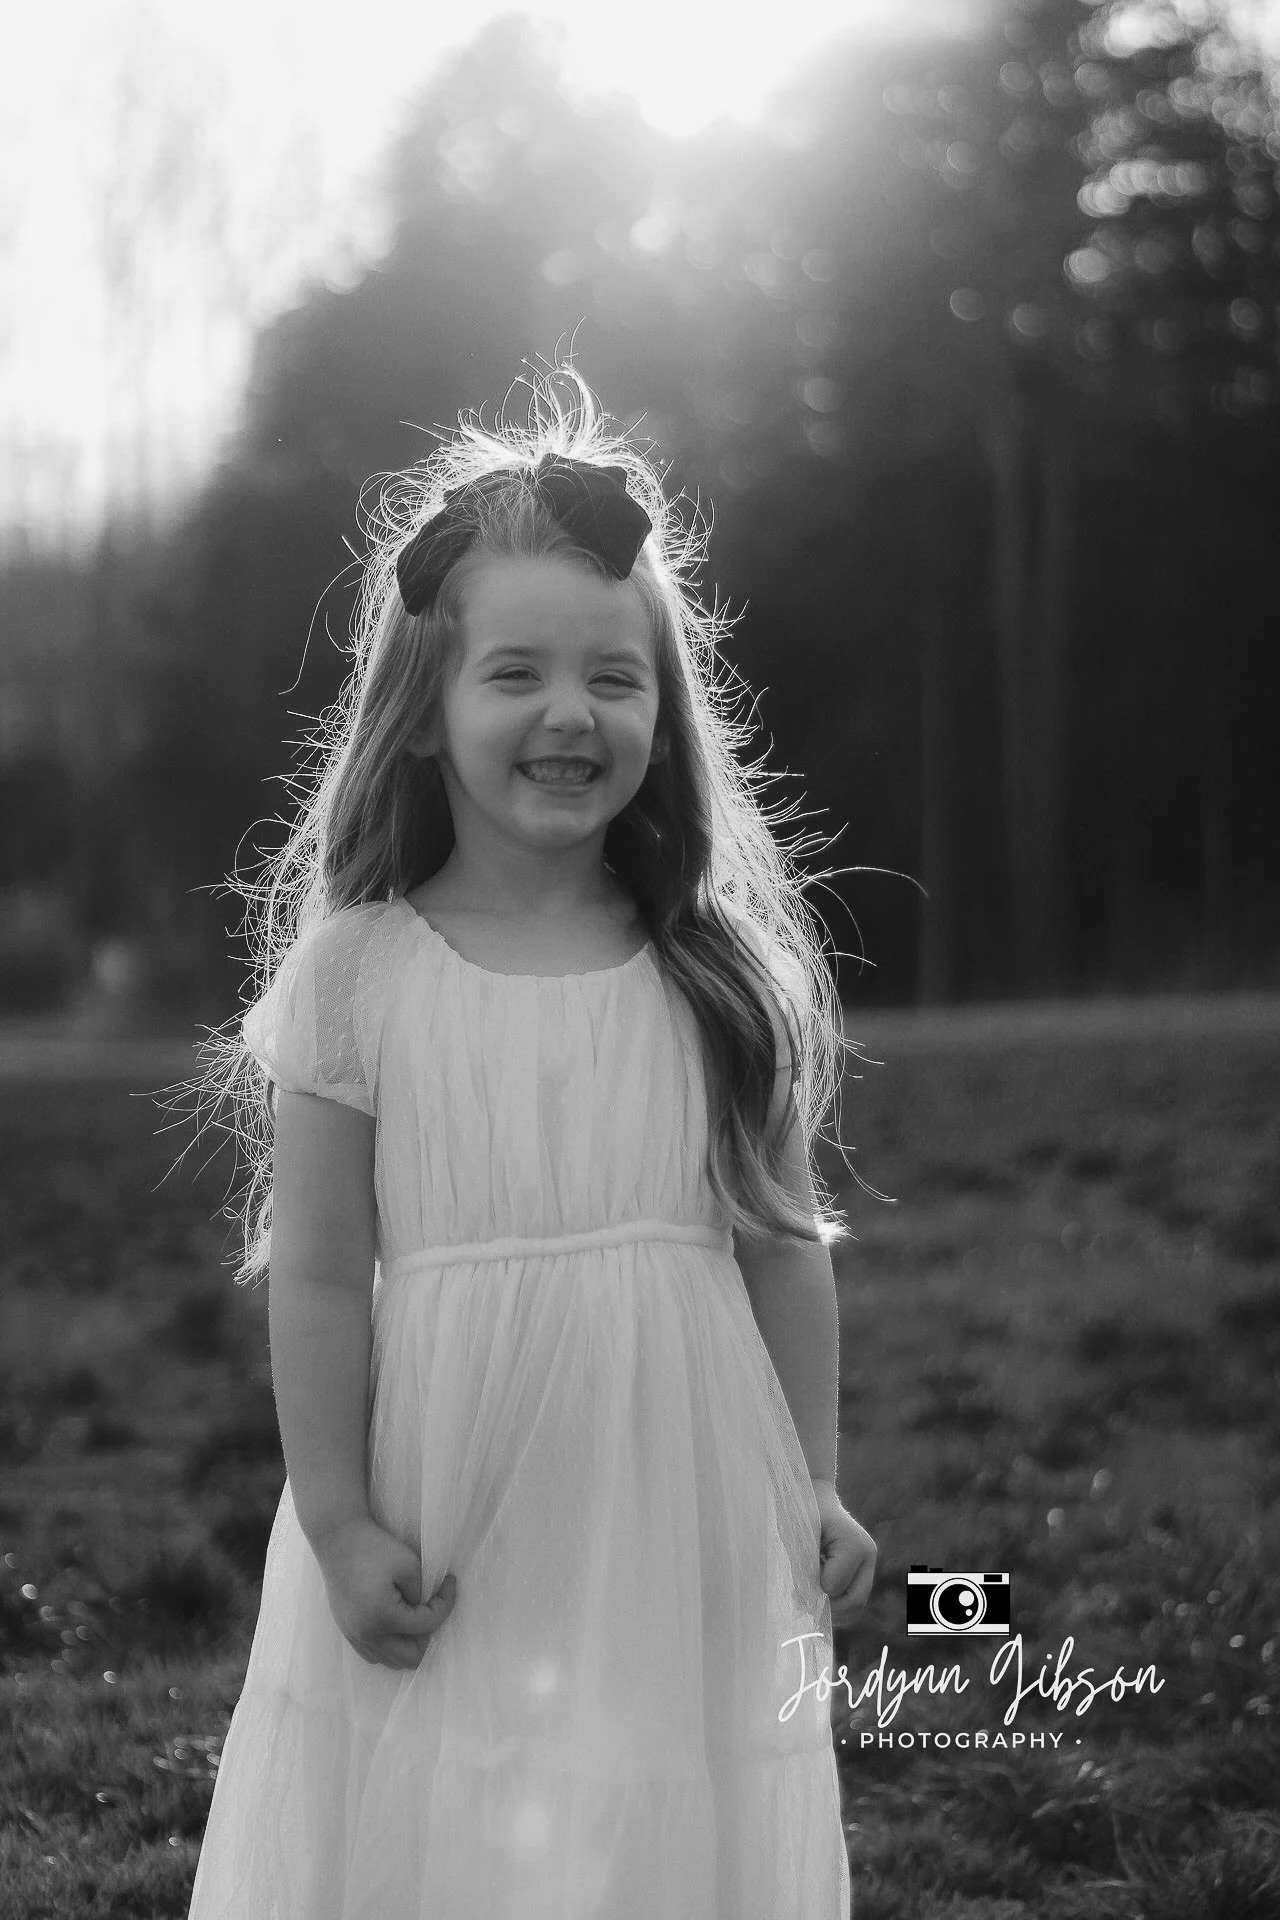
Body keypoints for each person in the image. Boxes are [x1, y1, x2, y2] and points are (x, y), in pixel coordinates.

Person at [183, 367, 876, 1920]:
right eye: (516, 674)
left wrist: (807, 1489)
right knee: (454, 1815)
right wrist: (342, 1519)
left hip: (677, 1500)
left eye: (613, 680)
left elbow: (782, 1247)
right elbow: (312, 1276)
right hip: (450, 1503)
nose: (569, 716)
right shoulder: (360, 973)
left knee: (653, 1807)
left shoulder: (719, 973)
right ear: (423, 714)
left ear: (664, 715)